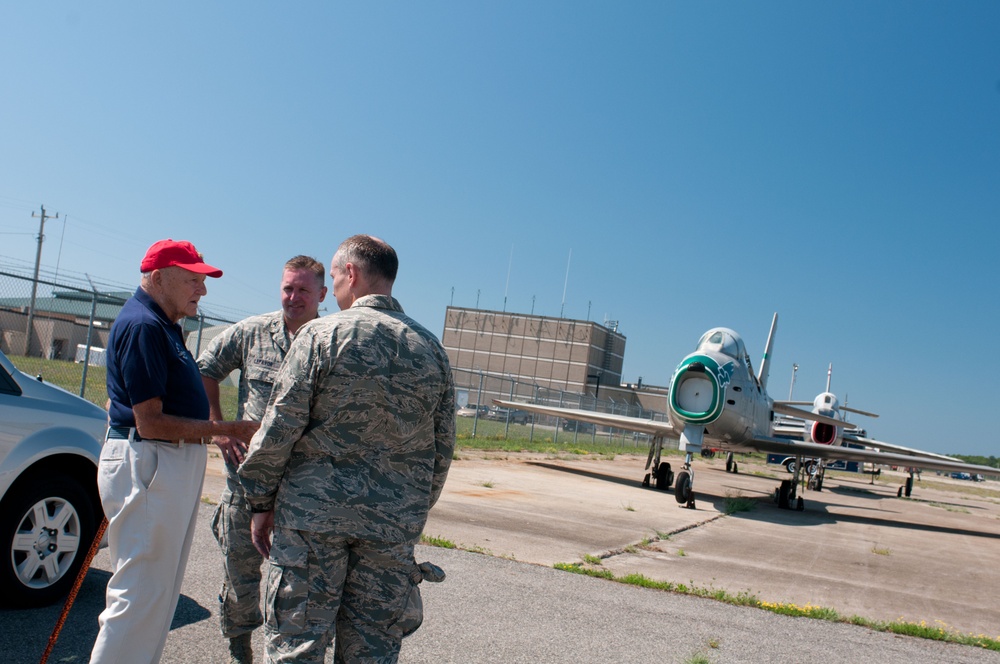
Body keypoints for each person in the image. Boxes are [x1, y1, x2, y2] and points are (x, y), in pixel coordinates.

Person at [238, 234, 456, 663]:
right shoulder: (431, 349)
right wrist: (406, 511)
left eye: (335, 276)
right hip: (391, 528)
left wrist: (260, 501)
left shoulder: (321, 335)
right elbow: (442, 449)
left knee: (296, 647)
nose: (334, 285)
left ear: (350, 274)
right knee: (371, 650)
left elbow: (279, 428)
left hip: (312, 522)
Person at [90, 239, 259, 664]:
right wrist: (226, 429)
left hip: (161, 462)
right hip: (153, 460)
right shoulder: (144, 325)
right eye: (192, 280)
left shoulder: (162, 325)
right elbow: (149, 422)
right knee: (139, 594)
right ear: (158, 278)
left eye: (202, 281)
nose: (202, 290)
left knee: (155, 595)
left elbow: (120, 401)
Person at [197, 255, 327, 664]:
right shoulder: (253, 332)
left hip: (303, 489)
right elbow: (205, 369)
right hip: (246, 484)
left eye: (303, 289)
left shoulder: (330, 341)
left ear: (322, 294)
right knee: (240, 580)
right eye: (288, 288)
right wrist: (219, 429)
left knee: (298, 591)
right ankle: (239, 651)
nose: (294, 297)